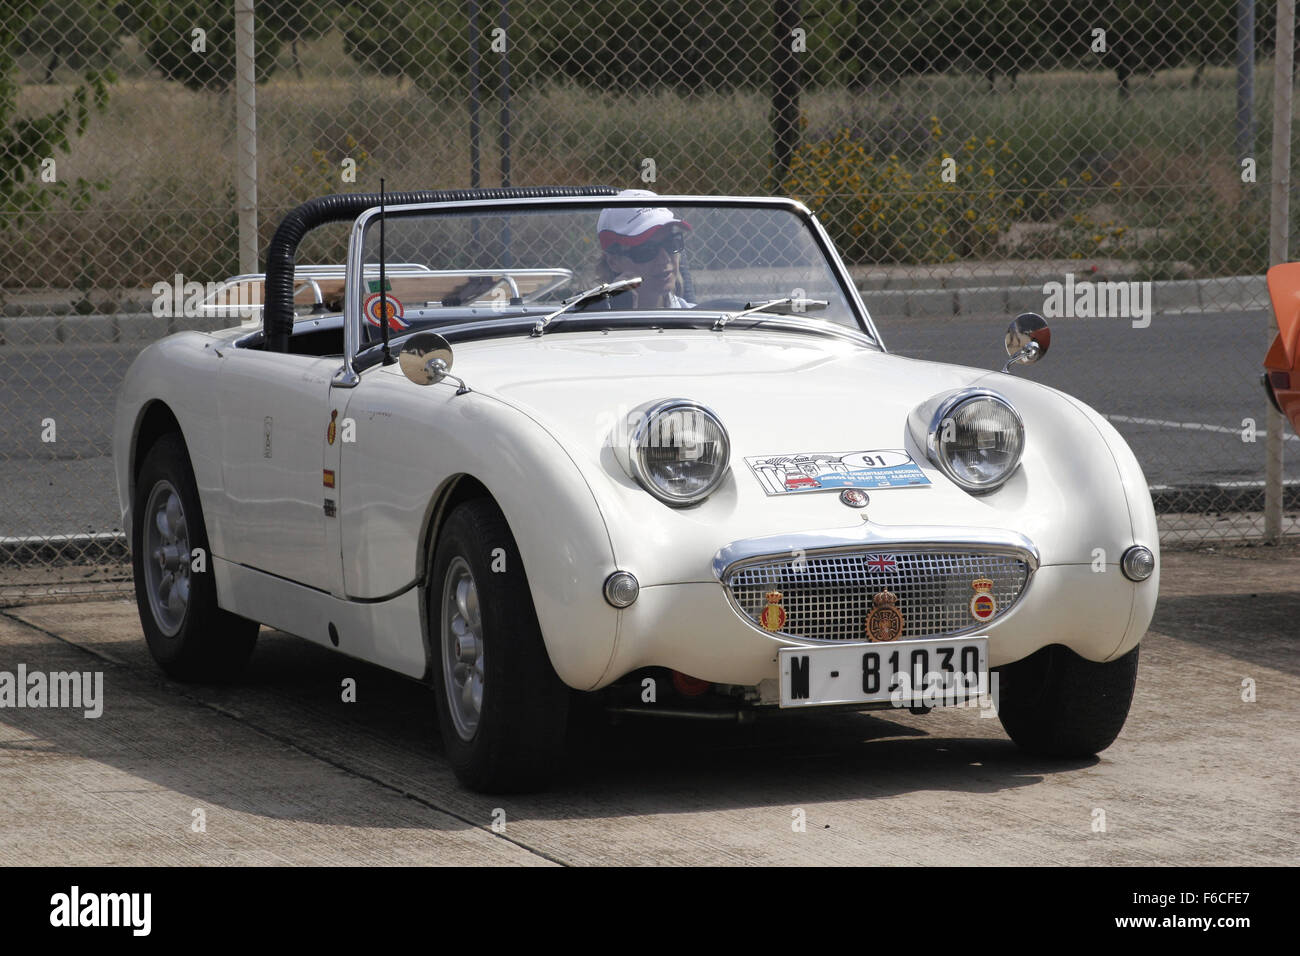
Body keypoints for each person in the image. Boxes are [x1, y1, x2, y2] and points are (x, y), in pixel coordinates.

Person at [595, 189, 694, 308]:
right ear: (613, 262)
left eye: (671, 244)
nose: (664, 259)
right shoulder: (581, 321)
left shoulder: (702, 320)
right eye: (646, 250)